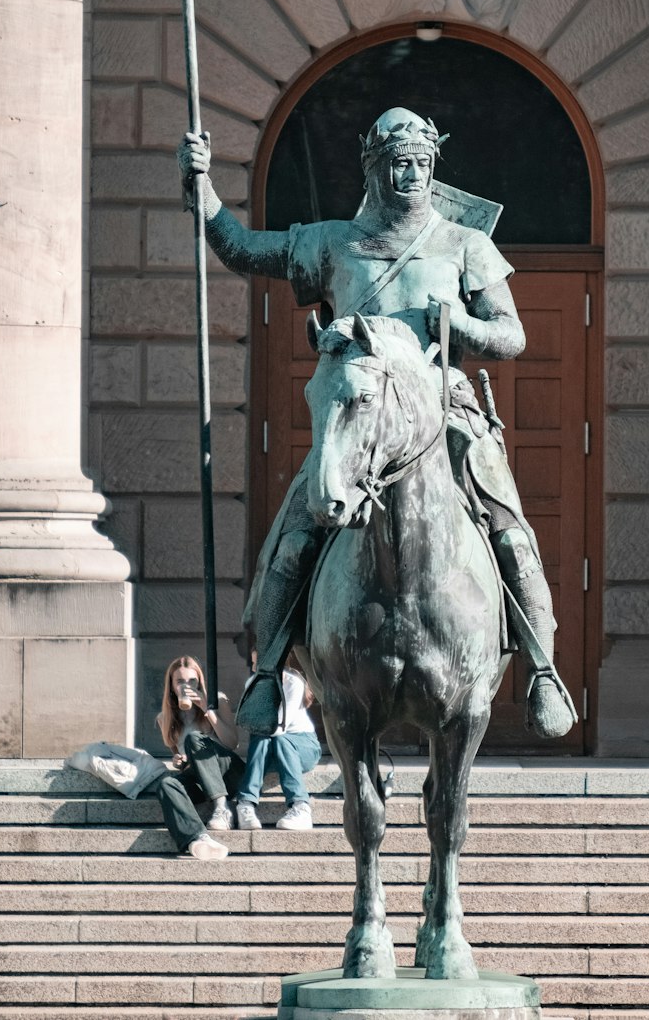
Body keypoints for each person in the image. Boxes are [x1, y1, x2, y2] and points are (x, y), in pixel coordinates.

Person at [177, 107, 575, 740]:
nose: (409, 173)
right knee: (297, 528)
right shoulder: (335, 242)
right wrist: (203, 193)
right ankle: (267, 668)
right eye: (396, 163)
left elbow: (512, 336)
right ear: (374, 168)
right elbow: (245, 250)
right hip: (360, 412)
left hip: (444, 410)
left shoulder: (465, 244)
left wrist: (461, 324)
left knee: (509, 527)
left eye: (420, 162)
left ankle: (542, 668)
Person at [154, 655, 244, 859]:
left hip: (230, 773)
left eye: (192, 681)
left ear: (199, 681)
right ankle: (197, 838)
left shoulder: (218, 700)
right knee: (167, 784)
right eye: (180, 681)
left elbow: (232, 743)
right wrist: (180, 762)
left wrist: (207, 709)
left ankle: (222, 809)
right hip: (203, 780)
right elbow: (181, 759)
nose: (187, 686)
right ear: (171, 686)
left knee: (194, 739)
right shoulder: (165, 719)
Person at [235, 651, 322, 831]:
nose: (254, 668)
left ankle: (301, 806)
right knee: (261, 739)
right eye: (252, 663)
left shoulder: (293, 683)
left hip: (303, 747)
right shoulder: (252, 684)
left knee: (279, 739)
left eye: (257, 663)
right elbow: (249, 723)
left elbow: (279, 727)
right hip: (272, 751)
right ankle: (246, 805)